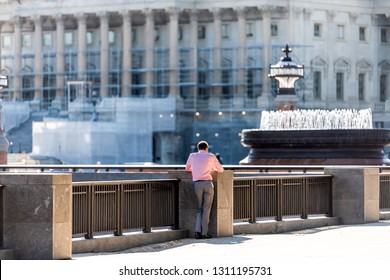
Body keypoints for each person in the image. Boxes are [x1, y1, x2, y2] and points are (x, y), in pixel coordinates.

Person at [185, 141, 224, 239]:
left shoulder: (192, 156)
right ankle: (204, 233)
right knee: (207, 209)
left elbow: (187, 168)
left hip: (197, 184)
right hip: (207, 183)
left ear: (198, 148)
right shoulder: (211, 156)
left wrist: (196, 169)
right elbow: (221, 170)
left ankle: (197, 232)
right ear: (206, 148)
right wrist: (210, 168)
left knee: (199, 209)